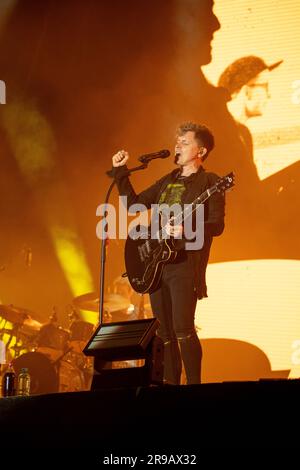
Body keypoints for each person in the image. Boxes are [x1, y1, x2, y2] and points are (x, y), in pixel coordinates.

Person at [110, 122, 225, 385]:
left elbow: (217, 225)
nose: (178, 146)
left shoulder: (211, 181)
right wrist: (120, 172)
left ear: (201, 150)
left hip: (184, 263)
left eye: (185, 142)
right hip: (156, 264)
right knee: (164, 333)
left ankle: (194, 387)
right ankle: (171, 388)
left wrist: (188, 228)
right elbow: (134, 205)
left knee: (183, 328)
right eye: (177, 141)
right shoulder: (168, 180)